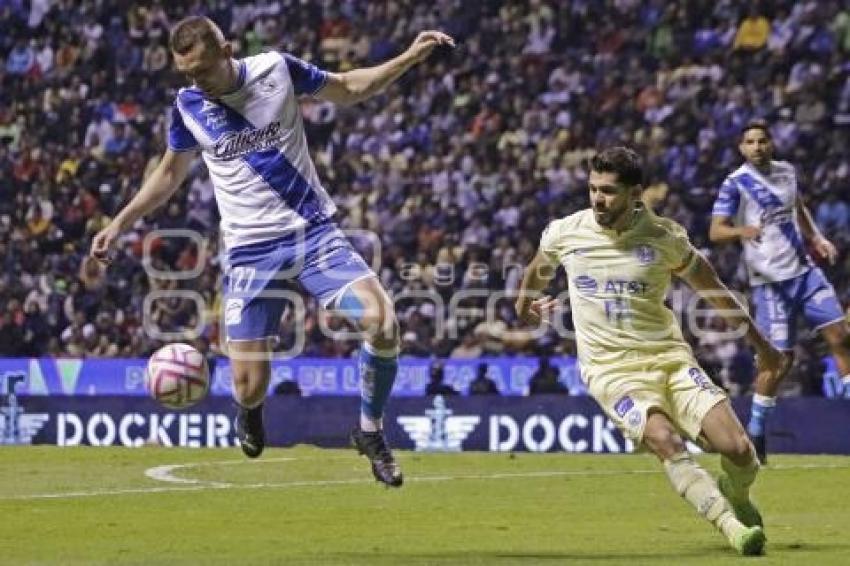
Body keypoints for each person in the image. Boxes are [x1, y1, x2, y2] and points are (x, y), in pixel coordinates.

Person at [90, 16, 455, 488]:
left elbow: (347, 87)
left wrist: (409, 57)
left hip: (314, 237)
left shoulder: (275, 70)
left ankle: (369, 432)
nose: (196, 81)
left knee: (382, 321)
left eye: (202, 69)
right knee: (248, 385)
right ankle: (250, 411)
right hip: (249, 255)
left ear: (227, 50)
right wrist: (120, 222)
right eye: (187, 74)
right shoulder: (188, 105)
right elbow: (169, 172)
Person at [516, 147, 788, 556]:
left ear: (635, 193)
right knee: (665, 441)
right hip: (611, 371)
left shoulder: (665, 237)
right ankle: (733, 530)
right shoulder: (565, 232)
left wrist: (762, 346)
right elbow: (537, 270)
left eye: (608, 191)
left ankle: (737, 491)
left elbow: (713, 290)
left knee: (738, 451)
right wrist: (524, 307)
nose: (597, 199)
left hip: (670, 359)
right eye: (592, 189)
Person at [709, 120, 850, 463]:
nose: (757, 147)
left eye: (762, 140)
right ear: (742, 149)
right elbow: (715, 231)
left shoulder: (787, 172)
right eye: (750, 142)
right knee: (779, 363)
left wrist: (816, 237)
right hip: (770, 285)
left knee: (840, 336)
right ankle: (756, 432)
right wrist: (742, 230)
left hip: (805, 273)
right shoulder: (735, 184)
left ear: (771, 144)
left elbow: (797, 207)